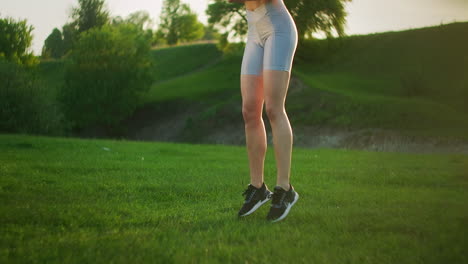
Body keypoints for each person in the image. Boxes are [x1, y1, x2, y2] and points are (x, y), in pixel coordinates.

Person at [231, 0, 299, 222]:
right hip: (254, 30)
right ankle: (258, 187)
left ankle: (285, 188)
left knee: (273, 108)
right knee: (250, 110)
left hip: (278, 27)